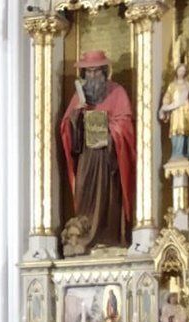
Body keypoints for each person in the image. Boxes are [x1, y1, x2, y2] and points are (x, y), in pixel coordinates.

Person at [58, 50, 136, 256]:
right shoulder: (79, 96)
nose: (92, 77)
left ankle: (108, 238)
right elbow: (66, 128)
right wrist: (77, 114)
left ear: (104, 72)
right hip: (87, 157)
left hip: (109, 158)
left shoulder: (117, 92)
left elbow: (125, 125)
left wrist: (109, 130)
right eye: (88, 72)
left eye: (96, 72)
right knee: (84, 192)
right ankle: (84, 235)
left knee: (108, 198)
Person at [160, 63, 189, 161]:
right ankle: (175, 152)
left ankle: (182, 153)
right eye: (180, 70)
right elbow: (167, 96)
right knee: (175, 131)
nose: (181, 72)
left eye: (183, 71)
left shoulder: (187, 84)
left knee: (183, 132)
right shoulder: (172, 85)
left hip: (185, 112)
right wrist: (165, 106)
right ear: (176, 71)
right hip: (175, 112)